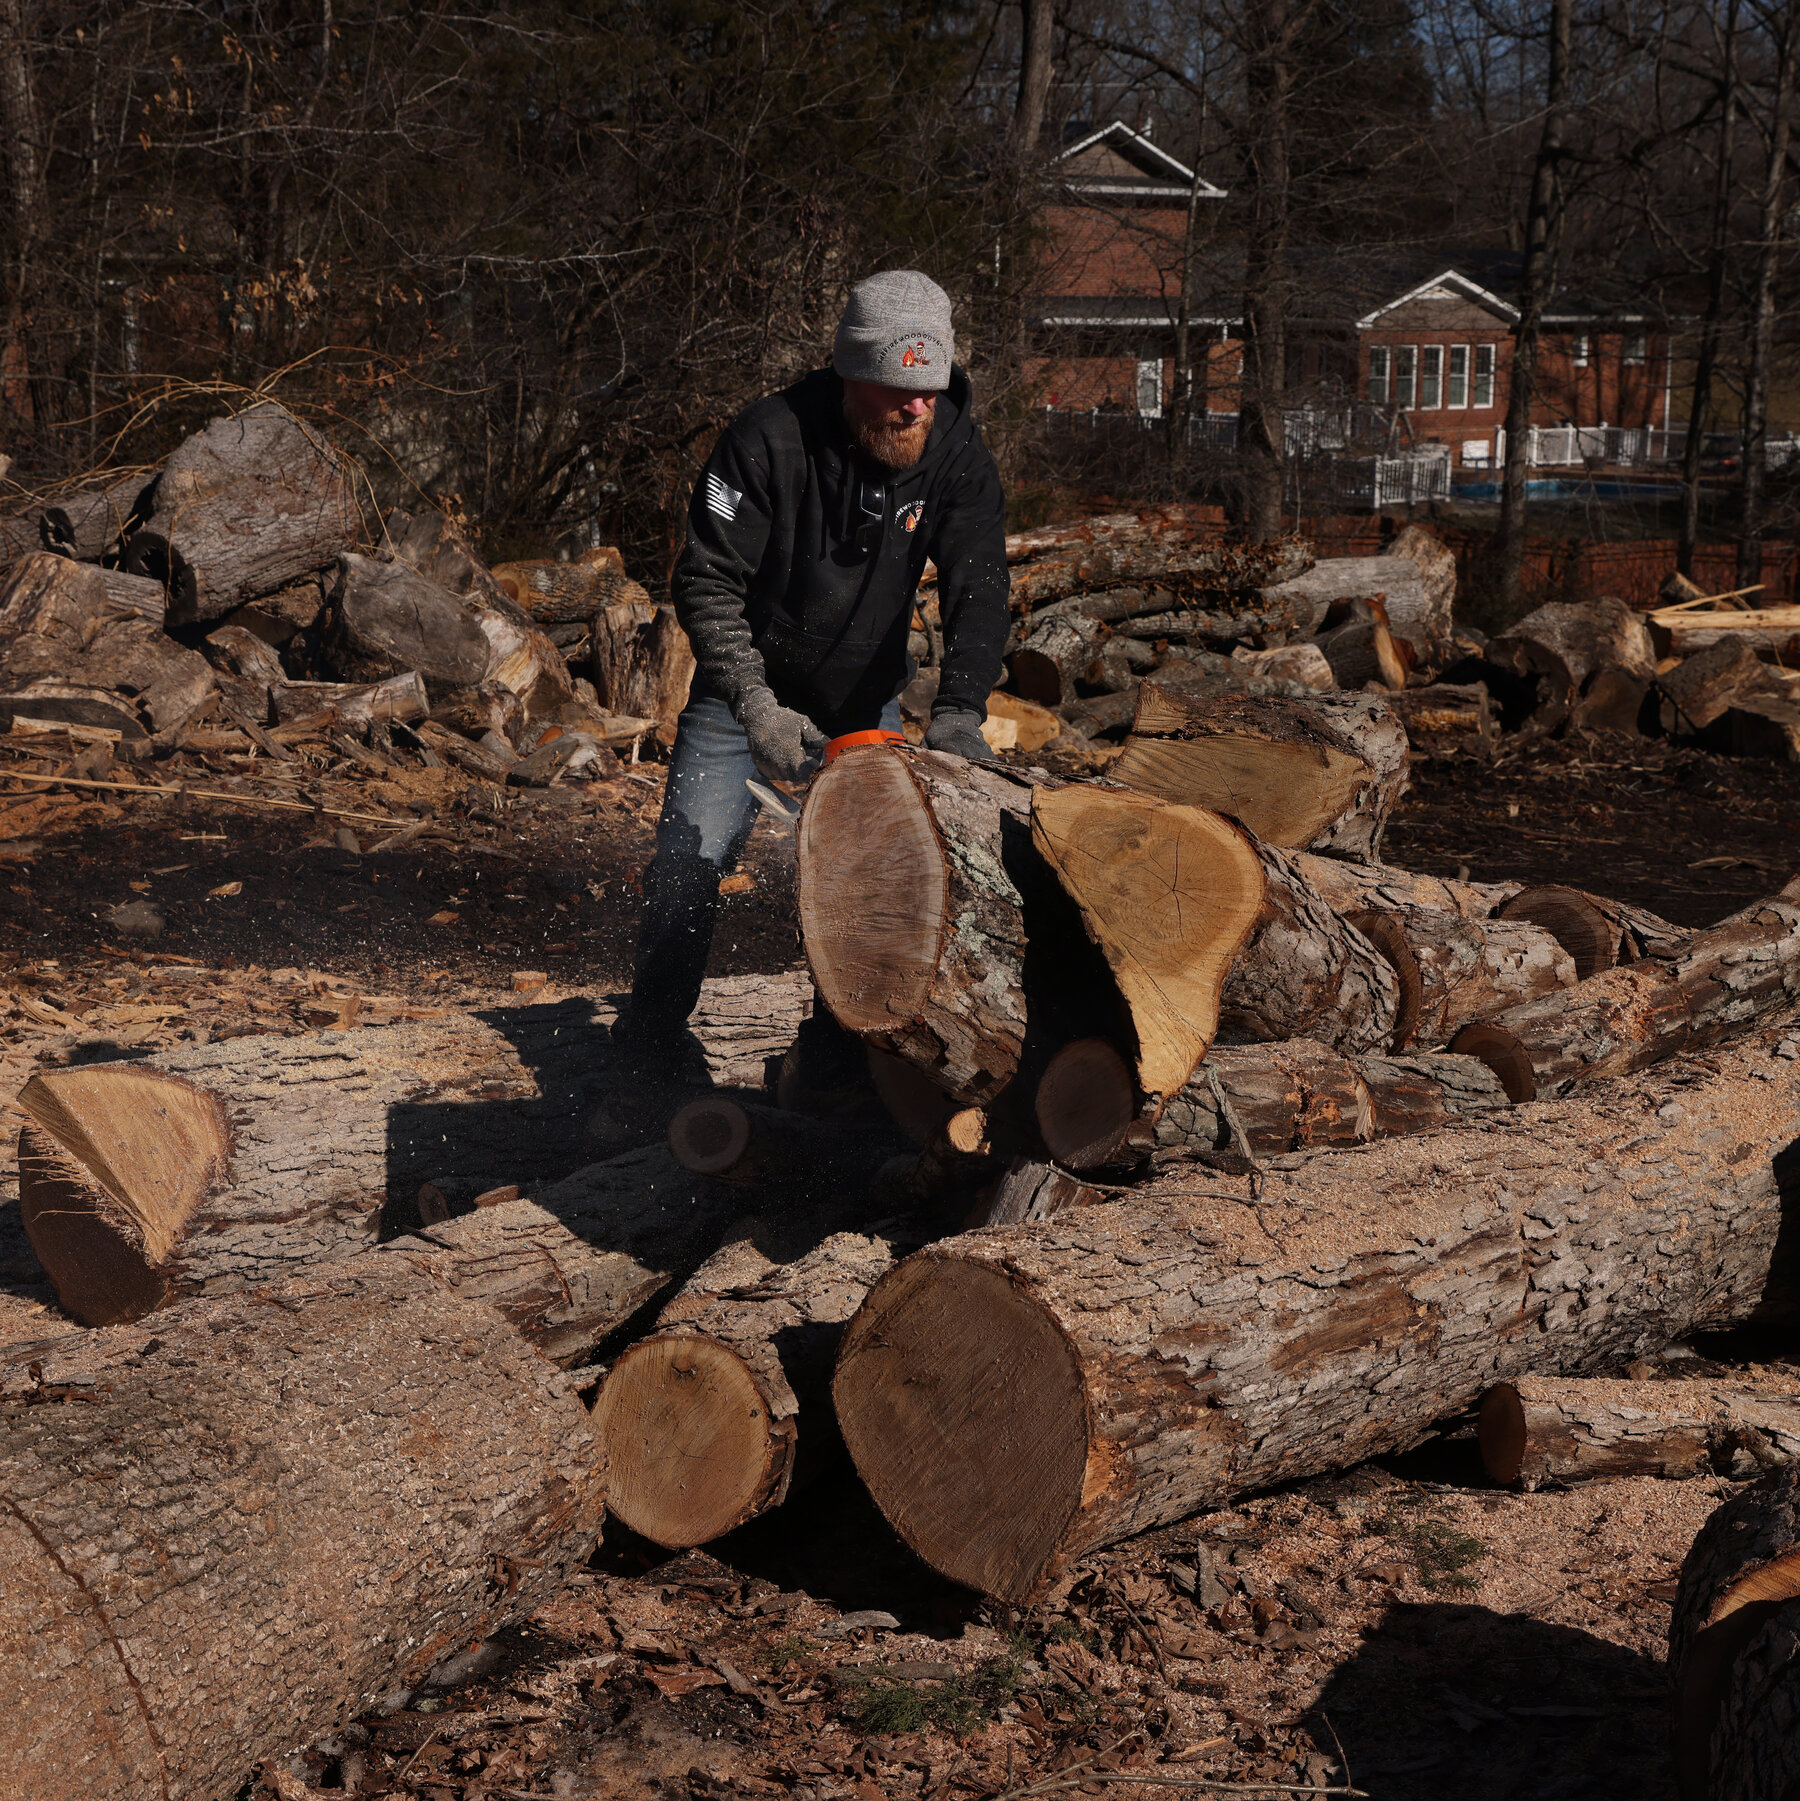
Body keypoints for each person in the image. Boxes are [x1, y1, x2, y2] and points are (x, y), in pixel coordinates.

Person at [612, 268, 1010, 1084]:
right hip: (742, 692)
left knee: (879, 890)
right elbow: (706, 581)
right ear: (850, 375)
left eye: (930, 391)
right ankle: (647, 1052)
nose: (917, 408)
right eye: (899, 391)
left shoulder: (956, 452)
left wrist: (963, 709)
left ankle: (837, 1066)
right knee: (690, 866)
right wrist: (755, 706)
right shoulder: (766, 439)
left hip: (865, 698)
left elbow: (981, 586)